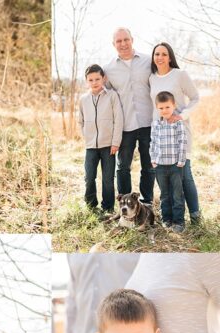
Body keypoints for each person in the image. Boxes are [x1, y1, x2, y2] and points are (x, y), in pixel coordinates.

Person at [150, 42, 201, 224]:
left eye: (164, 54)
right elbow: (155, 108)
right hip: (162, 137)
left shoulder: (180, 75)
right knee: (167, 180)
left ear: (170, 57)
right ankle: (171, 217)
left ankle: (195, 215)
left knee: (185, 174)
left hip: (180, 132)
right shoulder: (152, 78)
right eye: (157, 54)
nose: (160, 57)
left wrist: (182, 115)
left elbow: (196, 98)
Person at [105, 28, 155, 202]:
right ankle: (126, 203)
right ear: (113, 44)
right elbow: (107, 98)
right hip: (125, 125)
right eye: (118, 41)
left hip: (149, 122)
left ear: (132, 40)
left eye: (126, 39)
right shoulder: (108, 69)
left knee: (149, 166)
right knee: (123, 166)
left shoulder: (148, 61)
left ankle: (146, 202)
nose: (123, 44)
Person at [78, 65, 123, 215]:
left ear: (103, 78)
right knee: (89, 177)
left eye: (97, 79)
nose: (95, 82)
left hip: (108, 145)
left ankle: (108, 207)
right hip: (91, 146)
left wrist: (116, 142)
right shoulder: (83, 99)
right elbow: (80, 121)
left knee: (108, 179)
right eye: (91, 80)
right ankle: (91, 206)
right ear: (87, 81)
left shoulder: (112, 96)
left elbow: (118, 120)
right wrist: (86, 137)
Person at [150, 92, 189, 232]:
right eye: (161, 108)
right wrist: (153, 160)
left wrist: (181, 160)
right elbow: (153, 143)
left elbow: (182, 142)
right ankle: (166, 220)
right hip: (160, 166)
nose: (164, 110)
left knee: (177, 194)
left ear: (174, 106)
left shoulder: (178, 123)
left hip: (175, 166)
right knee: (164, 194)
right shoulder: (155, 124)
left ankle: (179, 222)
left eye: (167, 107)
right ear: (157, 108)